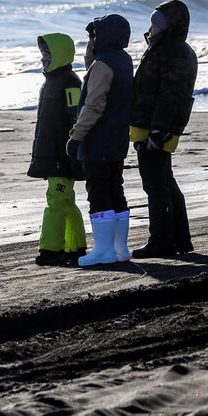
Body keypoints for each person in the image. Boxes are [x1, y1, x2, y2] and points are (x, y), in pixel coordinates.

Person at [129, 0, 198, 258]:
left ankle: (162, 241)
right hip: (153, 127)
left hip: (157, 129)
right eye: (150, 24)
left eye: (155, 25)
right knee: (165, 183)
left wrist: (158, 132)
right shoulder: (164, 48)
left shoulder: (175, 52)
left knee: (156, 186)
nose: (150, 30)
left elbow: (171, 96)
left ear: (169, 27)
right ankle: (180, 240)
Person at [65, 14, 133, 266]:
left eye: (95, 35)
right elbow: (91, 68)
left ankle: (103, 251)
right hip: (117, 138)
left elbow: (93, 105)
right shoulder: (123, 60)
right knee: (115, 188)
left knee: (98, 192)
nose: (92, 38)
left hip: (98, 140)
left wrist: (76, 137)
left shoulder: (104, 65)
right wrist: (93, 41)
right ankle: (119, 249)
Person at [28, 33, 87, 266]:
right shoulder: (49, 83)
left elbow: (77, 119)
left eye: (48, 54)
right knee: (65, 200)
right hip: (51, 153)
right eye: (42, 54)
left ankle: (52, 250)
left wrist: (73, 151)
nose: (43, 58)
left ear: (60, 55)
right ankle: (76, 247)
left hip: (64, 156)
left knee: (56, 199)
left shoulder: (70, 82)